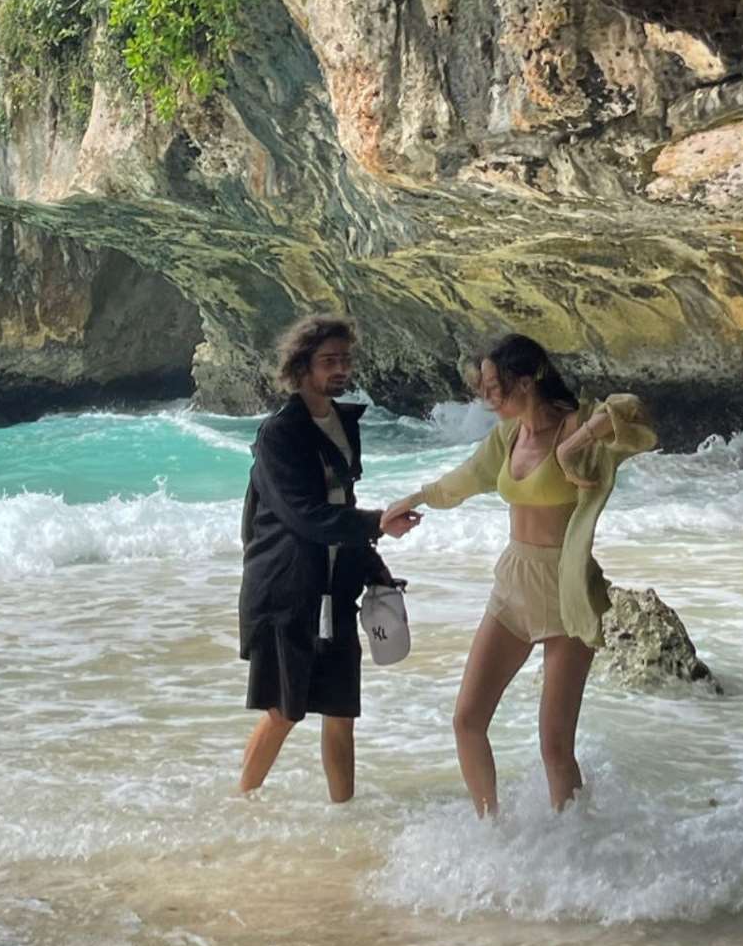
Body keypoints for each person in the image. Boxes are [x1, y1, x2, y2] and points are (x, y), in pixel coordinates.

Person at [381, 333, 656, 816]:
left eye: (495, 386)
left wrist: (573, 447)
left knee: (555, 748)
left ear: (527, 381)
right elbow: (464, 479)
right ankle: (492, 832)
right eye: (483, 387)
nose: (486, 397)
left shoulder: (576, 424)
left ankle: (575, 844)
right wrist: (415, 498)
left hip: (565, 589)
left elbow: (634, 414)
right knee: (467, 721)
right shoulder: (507, 437)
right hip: (512, 585)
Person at [238, 313, 420, 801]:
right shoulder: (279, 434)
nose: (341, 369)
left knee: (341, 711)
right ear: (301, 367)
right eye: (328, 361)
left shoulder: (344, 422)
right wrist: (376, 523)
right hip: (287, 590)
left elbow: (341, 502)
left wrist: (373, 566)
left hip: (336, 587)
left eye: (345, 360)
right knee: (284, 710)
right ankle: (241, 804)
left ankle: (345, 813)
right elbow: (304, 516)